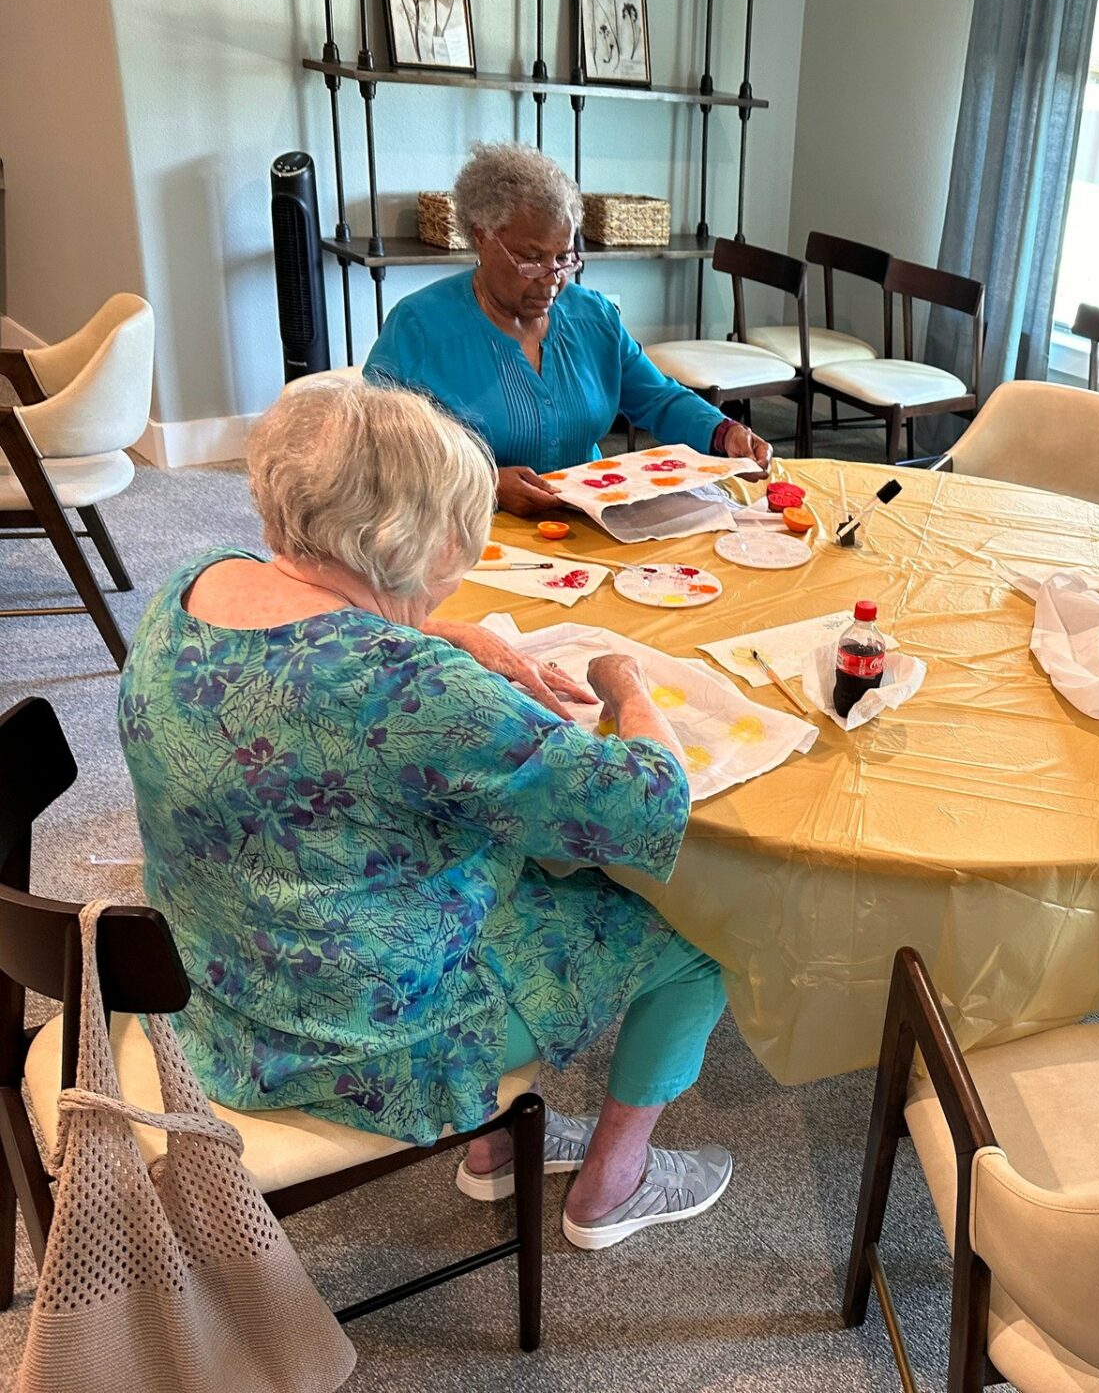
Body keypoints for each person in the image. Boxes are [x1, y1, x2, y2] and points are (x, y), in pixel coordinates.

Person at [118, 380, 731, 1250]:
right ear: (408, 539)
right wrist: (623, 682)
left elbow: (306, 645)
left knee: (487, 859)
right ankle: (613, 1185)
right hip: (352, 1039)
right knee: (697, 948)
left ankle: (493, 1147)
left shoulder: (195, 581)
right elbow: (646, 798)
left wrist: (446, 632)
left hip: (207, 983)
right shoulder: (409, 688)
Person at [364, 142, 771, 517]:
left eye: (564, 258)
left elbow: (658, 398)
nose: (552, 279)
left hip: (589, 522)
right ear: (481, 237)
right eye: (532, 259)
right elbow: (374, 455)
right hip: (468, 529)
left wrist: (723, 432)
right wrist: (486, 483)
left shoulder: (593, 318)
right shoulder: (419, 328)